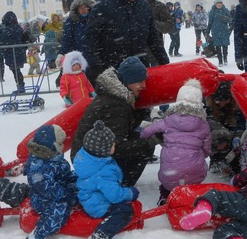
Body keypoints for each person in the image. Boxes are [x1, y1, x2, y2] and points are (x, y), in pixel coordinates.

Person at [71, 56, 158, 187]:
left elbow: (121, 129)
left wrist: (143, 112)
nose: (144, 86)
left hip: (85, 158)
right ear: (128, 81)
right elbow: (116, 148)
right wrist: (150, 142)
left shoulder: (113, 96)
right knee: (145, 147)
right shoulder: (116, 105)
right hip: (91, 164)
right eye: (139, 81)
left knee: (138, 137)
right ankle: (119, 184)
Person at [85, 0, 169, 85]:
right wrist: (98, 72)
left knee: (144, 103)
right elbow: (91, 43)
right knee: (118, 104)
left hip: (139, 71)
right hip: (112, 73)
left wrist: (164, 62)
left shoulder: (144, 7)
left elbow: (153, 39)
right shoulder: (102, 6)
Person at [140, 79, 212, 206]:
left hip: (170, 170)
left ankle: (165, 195)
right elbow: (207, 146)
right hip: (194, 170)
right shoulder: (203, 124)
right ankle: (191, 198)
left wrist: (142, 134)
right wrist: (204, 154)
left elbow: (149, 131)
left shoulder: (168, 120)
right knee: (193, 178)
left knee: (168, 181)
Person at [73, 120, 140, 239]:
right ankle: (102, 233)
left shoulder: (89, 159)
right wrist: (130, 193)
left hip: (89, 196)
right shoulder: (103, 172)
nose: (115, 145)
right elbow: (115, 196)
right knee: (125, 211)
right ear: (104, 150)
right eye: (112, 144)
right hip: (97, 204)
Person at [23, 124, 78, 239]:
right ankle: (38, 234)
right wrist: (67, 195)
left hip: (60, 187)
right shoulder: (38, 167)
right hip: (43, 199)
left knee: (80, 184)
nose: (62, 146)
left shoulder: (53, 156)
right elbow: (47, 188)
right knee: (59, 209)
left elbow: (64, 173)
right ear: (51, 145)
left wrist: (75, 179)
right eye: (59, 144)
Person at [55, 0, 94, 87]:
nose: (84, 10)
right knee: (80, 82)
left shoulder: (95, 19)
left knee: (93, 83)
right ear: (77, 9)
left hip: (94, 57)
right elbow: (67, 39)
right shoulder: (71, 21)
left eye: (86, 7)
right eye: (81, 7)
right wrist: (62, 53)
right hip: (78, 58)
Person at [140, 0, 174, 66]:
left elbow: (170, 25)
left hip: (155, 52)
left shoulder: (159, 6)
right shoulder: (132, 7)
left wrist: (153, 24)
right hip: (138, 53)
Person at [1, 11, 26, 92]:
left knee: (15, 70)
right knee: (17, 70)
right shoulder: (18, 28)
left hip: (10, 53)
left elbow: (4, 41)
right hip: (19, 52)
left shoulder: (6, 29)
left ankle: (20, 85)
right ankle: (20, 85)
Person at [207, 0, 232, 67]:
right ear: (215, 4)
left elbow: (230, 20)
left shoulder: (225, 10)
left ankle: (225, 59)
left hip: (224, 31)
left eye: (220, 3)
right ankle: (220, 60)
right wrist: (207, 32)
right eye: (218, 3)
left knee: (225, 46)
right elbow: (210, 22)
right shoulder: (212, 11)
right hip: (215, 31)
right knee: (218, 47)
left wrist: (226, 18)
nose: (219, 4)